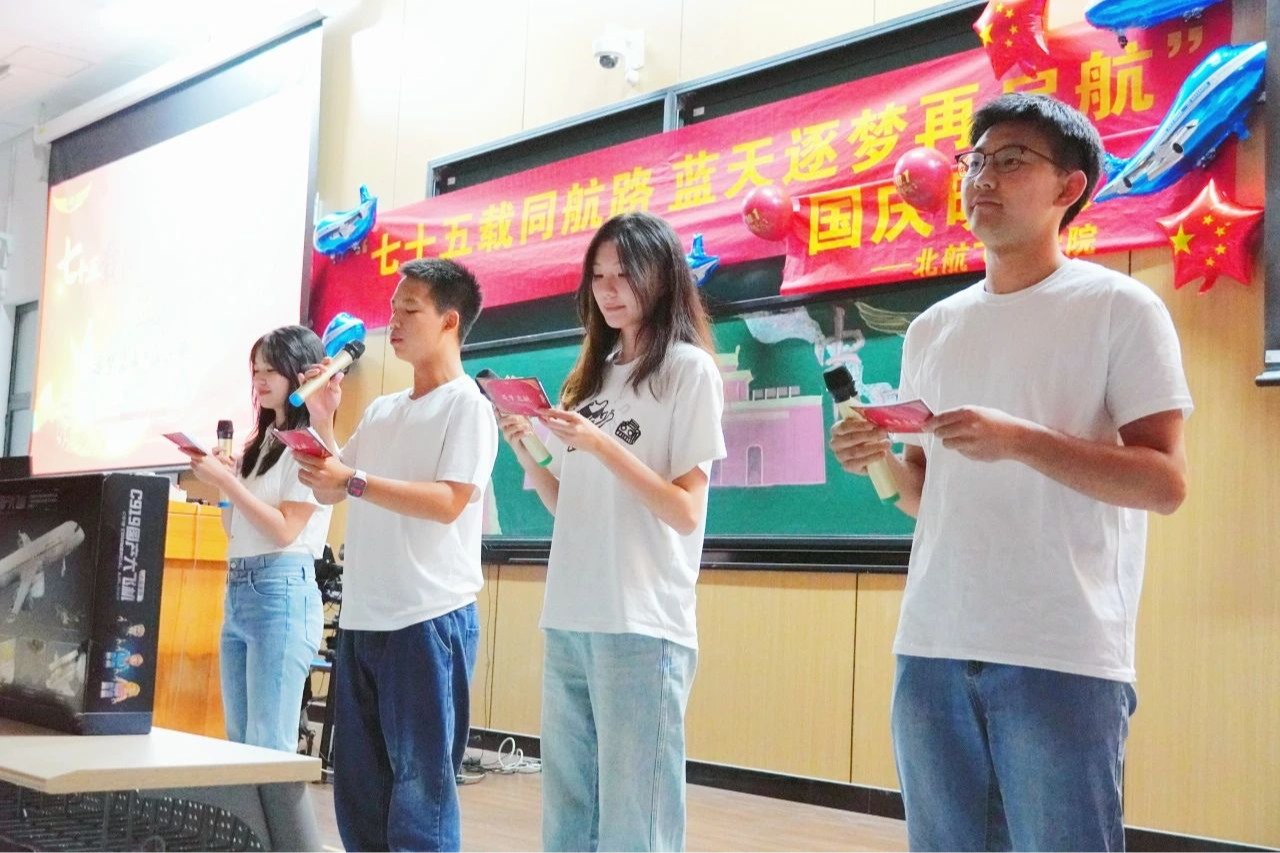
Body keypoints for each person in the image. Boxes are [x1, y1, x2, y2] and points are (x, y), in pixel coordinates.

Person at [829, 93, 1192, 851]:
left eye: (1012, 160)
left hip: (1059, 649)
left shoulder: (1120, 307)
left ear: (1069, 187)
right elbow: (921, 495)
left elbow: (1164, 483)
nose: (982, 178)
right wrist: (878, 460)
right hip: (932, 644)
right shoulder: (933, 327)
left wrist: (1024, 441)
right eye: (975, 161)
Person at [498, 212, 726, 851]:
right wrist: (528, 451)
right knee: (568, 810)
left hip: (641, 620)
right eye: (598, 276)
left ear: (663, 276)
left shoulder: (687, 369)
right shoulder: (591, 376)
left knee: (635, 817)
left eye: (624, 274)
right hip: (570, 613)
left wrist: (600, 445)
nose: (608, 289)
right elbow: (570, 505)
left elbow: (685, 510)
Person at [293, 258, 497, 852]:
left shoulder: (467, 405)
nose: (396, 321)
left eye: (411, 309)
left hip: (427, 618)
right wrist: (323, 420)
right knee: (360, 792)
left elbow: (449, 501)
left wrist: (352, 479)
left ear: (450, 321)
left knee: (420, 793)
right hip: (365, 618)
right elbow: (330, 486)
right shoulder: (384, 409)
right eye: (392, 309)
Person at [180, 324, 330, 753]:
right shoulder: (262, 442)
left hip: (281, 588)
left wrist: (228, 483)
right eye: (256, 371)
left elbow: (284, 530)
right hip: (240, 588)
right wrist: (227, 484)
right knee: (239, 741)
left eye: (272, 370)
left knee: (268, 743)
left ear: (299, 373)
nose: (260, 381)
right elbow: (234, 529)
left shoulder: (310, 444)